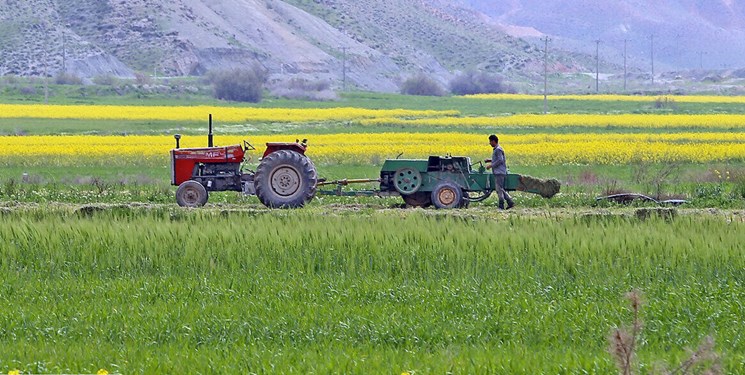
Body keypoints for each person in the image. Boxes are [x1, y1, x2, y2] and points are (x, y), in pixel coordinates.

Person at [485, 134, 515, 210]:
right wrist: (489, 160)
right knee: (500, 188)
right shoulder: (497, 149)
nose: (490, 143)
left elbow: (500, 160)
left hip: (499, 172)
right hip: (499, 172)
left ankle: (502, 205)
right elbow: (498, 159)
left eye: (490, 141)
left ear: (494, 141)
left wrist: (491, 165)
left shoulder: (498, 149)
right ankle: (510, 202)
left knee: (499, 189)